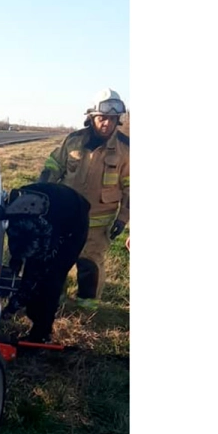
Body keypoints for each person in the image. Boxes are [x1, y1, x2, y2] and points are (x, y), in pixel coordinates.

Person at [38, 88, 130, 310]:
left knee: (90, 263)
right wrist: (41, 192)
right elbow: (54, 166)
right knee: (57, 257)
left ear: (118, 120)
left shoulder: (126, 149)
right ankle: (55, 298)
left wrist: (123, 219)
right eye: (102, 118)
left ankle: (87, 307)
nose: (107, 123)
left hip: (97, 223)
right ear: (92, 117)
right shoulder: (73, 141)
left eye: (112, 119)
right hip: (65, 217)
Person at [0, 182, 91, 343]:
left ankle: (41, 333)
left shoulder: (45, 233)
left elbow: (34, 274)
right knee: (34, 265)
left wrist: (11, 308)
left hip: (75, 217)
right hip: (53, 207)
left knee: (51, 277)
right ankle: (35, 314)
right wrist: (16, 259)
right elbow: (17, 239)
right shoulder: (12, 215)